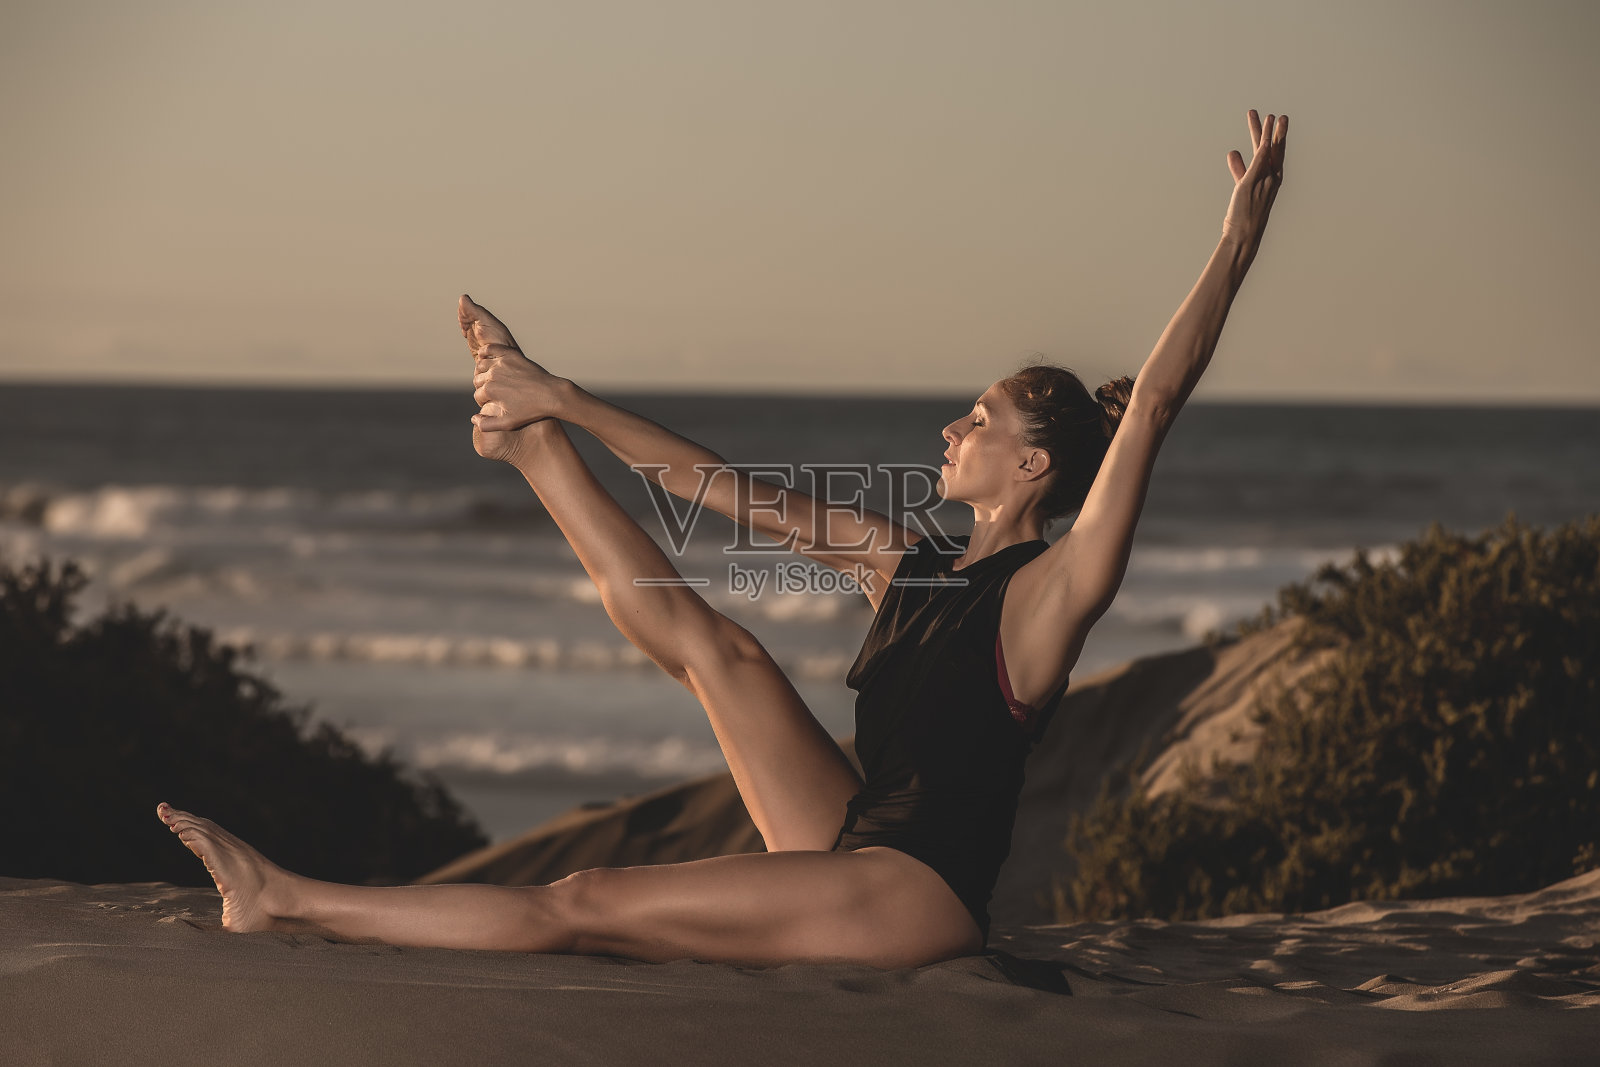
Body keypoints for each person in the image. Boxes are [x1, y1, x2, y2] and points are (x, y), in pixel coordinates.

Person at [157, 109, 1288, 969]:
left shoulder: (1053, 588)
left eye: (980, 421)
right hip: (856, 840)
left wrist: (1234, 248)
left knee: (586, 897)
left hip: (914, 894)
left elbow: (1149, 409)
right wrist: (563, 400)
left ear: (1034, 465)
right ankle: (535, 452)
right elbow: (715, 487)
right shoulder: (908, 558)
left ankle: (290, 899)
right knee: (716, 645)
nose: (955, 427)